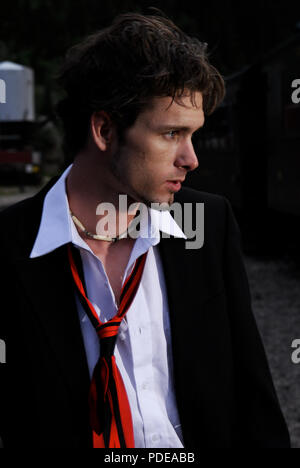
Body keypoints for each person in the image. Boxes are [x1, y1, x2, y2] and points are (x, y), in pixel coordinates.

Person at [0, 12, 290, 448]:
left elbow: (253, 398)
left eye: (193, 136)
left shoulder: (208, 225)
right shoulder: (9, 245)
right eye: (172, 133)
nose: (191, 160)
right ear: (104, 130)